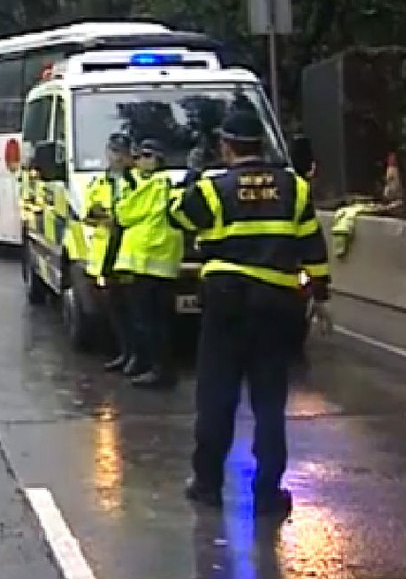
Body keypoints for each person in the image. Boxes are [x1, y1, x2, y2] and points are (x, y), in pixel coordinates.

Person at [168, 110, 332, 518]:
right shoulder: (293, 187)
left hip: (226, 304)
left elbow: (178, 216)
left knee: (216, 397)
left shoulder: (212, 188)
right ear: (261, 143)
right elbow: (312, 245)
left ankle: (207, 483)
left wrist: (191, 177)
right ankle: (268, 492)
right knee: (270, 402)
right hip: (277, 305)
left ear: (226, 146)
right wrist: (321, 295)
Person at [113, 139, 184, 388]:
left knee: (153, 321)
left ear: (158, 159)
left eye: (146, 155)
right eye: (138, 155)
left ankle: (160, 371)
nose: (139, 160)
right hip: (149, 260)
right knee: (152, 320)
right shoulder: (147, 183)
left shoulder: (159, 184)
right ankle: (154, 366)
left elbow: (125, 214)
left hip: (152, 260)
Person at [81, 132, 139, 367]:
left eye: (121, 153)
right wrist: (99, 214)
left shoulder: (137, 181)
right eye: (113, 152)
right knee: (116, 310)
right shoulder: (99, 182)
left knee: (134, 310)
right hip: (107, 252)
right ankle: (124, 353)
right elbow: (89, 211)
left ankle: (137, 355)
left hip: (130, 249)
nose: (116, 157)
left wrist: (115, 216)